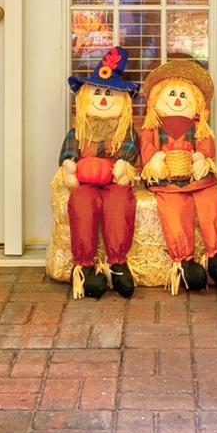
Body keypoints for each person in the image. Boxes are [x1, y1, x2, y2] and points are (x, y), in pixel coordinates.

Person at [52, 47, 140, 299]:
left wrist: (123, 164)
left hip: (114, 180)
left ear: (123, 99)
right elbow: (68, 154)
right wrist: (69, 165)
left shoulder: (125, 131)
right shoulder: (80, 130)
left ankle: (118, 263)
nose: (103, 98)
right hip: (85, 181)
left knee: (119, 204)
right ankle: (85, 267)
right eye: (98, 92)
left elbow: (130, 151)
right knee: (81, 204)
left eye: (110, 93)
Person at [138, 57, 217, 293]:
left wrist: (202, 158)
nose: (178, 100)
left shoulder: (199, 127)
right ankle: (185, 262)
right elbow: (147, 150)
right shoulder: (152, 129)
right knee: (174, 209)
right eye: (171, 94)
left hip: (197, 180)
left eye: (184, 95)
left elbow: (206, 148)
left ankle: (215, 255)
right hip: (167, 182)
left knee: (213, 200)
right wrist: (155, 159)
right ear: (155, 99)